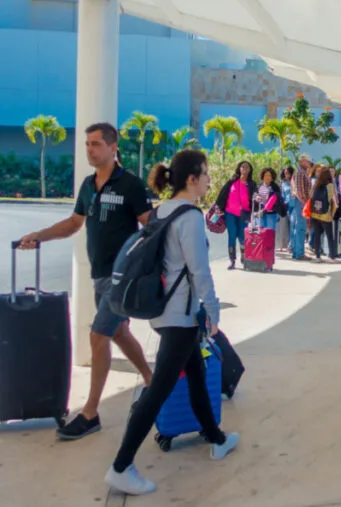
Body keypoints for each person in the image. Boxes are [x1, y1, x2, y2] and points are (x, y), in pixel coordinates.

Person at [105, 149, 239, 496]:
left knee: (194, 373)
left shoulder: (162, 210)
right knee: (159, 390)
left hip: (164, 312)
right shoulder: (191, 217)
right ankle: (121, 466)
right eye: (206, 174)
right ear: (192, 179)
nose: (210, 180)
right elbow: (199, 271)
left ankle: (216, 437)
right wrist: (213, 311)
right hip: (180, 315)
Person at [17, 122, 153, 441]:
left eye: (95, 144)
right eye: (87, 144)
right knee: (117, 332)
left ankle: (91, 413)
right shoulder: (88, 186)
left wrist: (140, 267)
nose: (90, 150)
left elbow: (150, 228)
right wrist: (40, 236)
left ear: (112, 147)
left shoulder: (130, 185)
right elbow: (75, 223)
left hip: (122, 277)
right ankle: (152, 379)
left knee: (97, 335)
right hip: (100, 274)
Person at [214, 161, 255, 270]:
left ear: (250, 170)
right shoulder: (232, 181)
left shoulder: (251, 183)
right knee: (232, 236)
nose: (245, 169)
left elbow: (255, 194)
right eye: (243, 167)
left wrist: (256, 197)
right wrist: (218, 207)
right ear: (239, 169)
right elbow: (222, 194)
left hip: (245, 214)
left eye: (247, 167)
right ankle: (232, 261)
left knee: (242, 236)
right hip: (230, 213)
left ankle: (244, 257)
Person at [309, 166, 338, 262]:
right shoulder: (330, 186)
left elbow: (310, 197)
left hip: (314, 214)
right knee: (330, 236)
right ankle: (331, 256)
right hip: (325, 214)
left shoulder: (315, 185)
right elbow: (333, 200)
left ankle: (317, 256)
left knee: (317, 235)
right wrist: (333, 213)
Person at [290, 154, 313, 260]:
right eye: (307, 161)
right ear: (302, 161)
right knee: (300, 227)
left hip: (300, 202)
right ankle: (299, 253)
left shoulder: (301, 172)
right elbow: (299, 190)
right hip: (301, 202)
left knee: (298, 227)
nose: (309, 163)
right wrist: (305, 203)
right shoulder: (300, 172)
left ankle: (297, 252)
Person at [277, 166, 295, 253]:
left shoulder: (295, 182)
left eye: (288, 173)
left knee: (293, 226)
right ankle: (286, 244)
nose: (287, 175)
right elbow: (282, 195)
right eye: (285, 173)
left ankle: (291, 245)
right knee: (286, 227)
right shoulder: (283, 183)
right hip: (286, 206)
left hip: (294, 205)